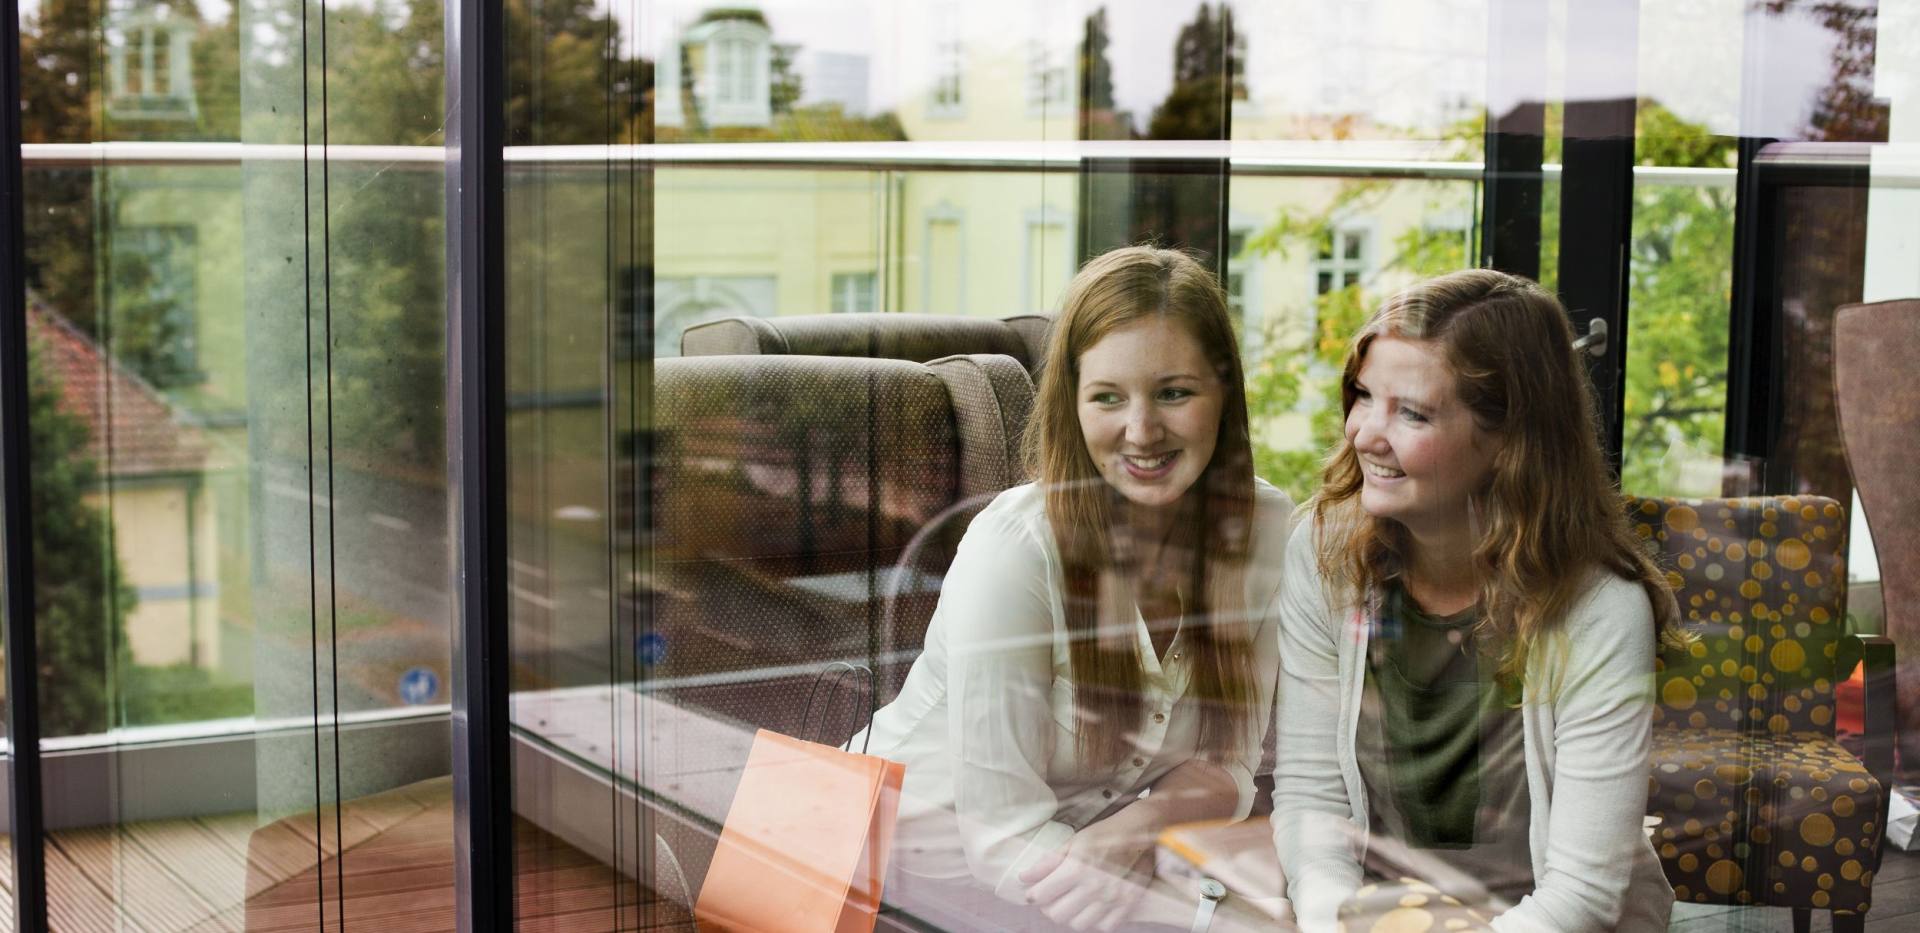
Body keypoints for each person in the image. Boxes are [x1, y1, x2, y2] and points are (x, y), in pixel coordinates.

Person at [859, 246, 1293, 932]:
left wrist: (1137, 827)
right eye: (1108, 397)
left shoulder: (1268, 530)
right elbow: (1000, 842)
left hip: (1095, 855)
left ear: (1224, 394)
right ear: (1073, 405)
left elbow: (1227, 767)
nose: (1142, 431)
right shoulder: (1018, 551)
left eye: (1175, 392)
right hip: (906, 871)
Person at [1268, 269, 1679, 932]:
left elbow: (1581, 894)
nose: (1365, 433)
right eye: (1364, 396)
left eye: (1413, 412)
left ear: (1508, 439)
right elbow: (1314, 799)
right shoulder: (1324, 556)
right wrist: (1335, 919)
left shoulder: (1601, 606)